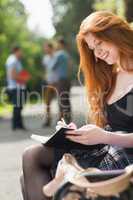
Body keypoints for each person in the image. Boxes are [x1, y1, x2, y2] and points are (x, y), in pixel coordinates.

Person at [20, 11, 133, 200]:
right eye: (91, 48)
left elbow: (111, 134)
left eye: (99, 43)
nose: (97, 53)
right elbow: (107, 128)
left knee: (28, 178)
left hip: (125, 155)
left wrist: (105, 136)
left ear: (116, 34)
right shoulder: (110, 77)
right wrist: (76, 134)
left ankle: (64, 181)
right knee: (31, 155)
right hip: (106, 146)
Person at [5, 46, 28, 130]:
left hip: (17, 86)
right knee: (17, 107)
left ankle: (18, 125)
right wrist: (24, 78)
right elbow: (13, 75)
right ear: (16, 51)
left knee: (19, 106)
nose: (21, 53)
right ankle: (16, 125)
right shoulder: (13, 60)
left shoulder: (15, 60)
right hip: (16, 87)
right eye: (20, 51)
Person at [52, 38, 72, 124]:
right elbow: (70, 67)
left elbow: (52, 66)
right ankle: (67, 119)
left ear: (60, 44)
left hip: (61, 80)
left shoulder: (59, 54)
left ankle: (62, 120)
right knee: (66, 99)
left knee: (61, 100)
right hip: (67, 79)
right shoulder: (67, 55)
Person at [42, 42, 58, 126]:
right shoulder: (45, 58)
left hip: (57, 82)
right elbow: (46, 70)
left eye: (46, 47)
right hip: (48, 83)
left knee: (60, 101)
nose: (45, 49)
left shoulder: (57, 57)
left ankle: (61, 119)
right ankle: (48, 120)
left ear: (51, 48)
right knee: (47, 102)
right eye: (44, 48)